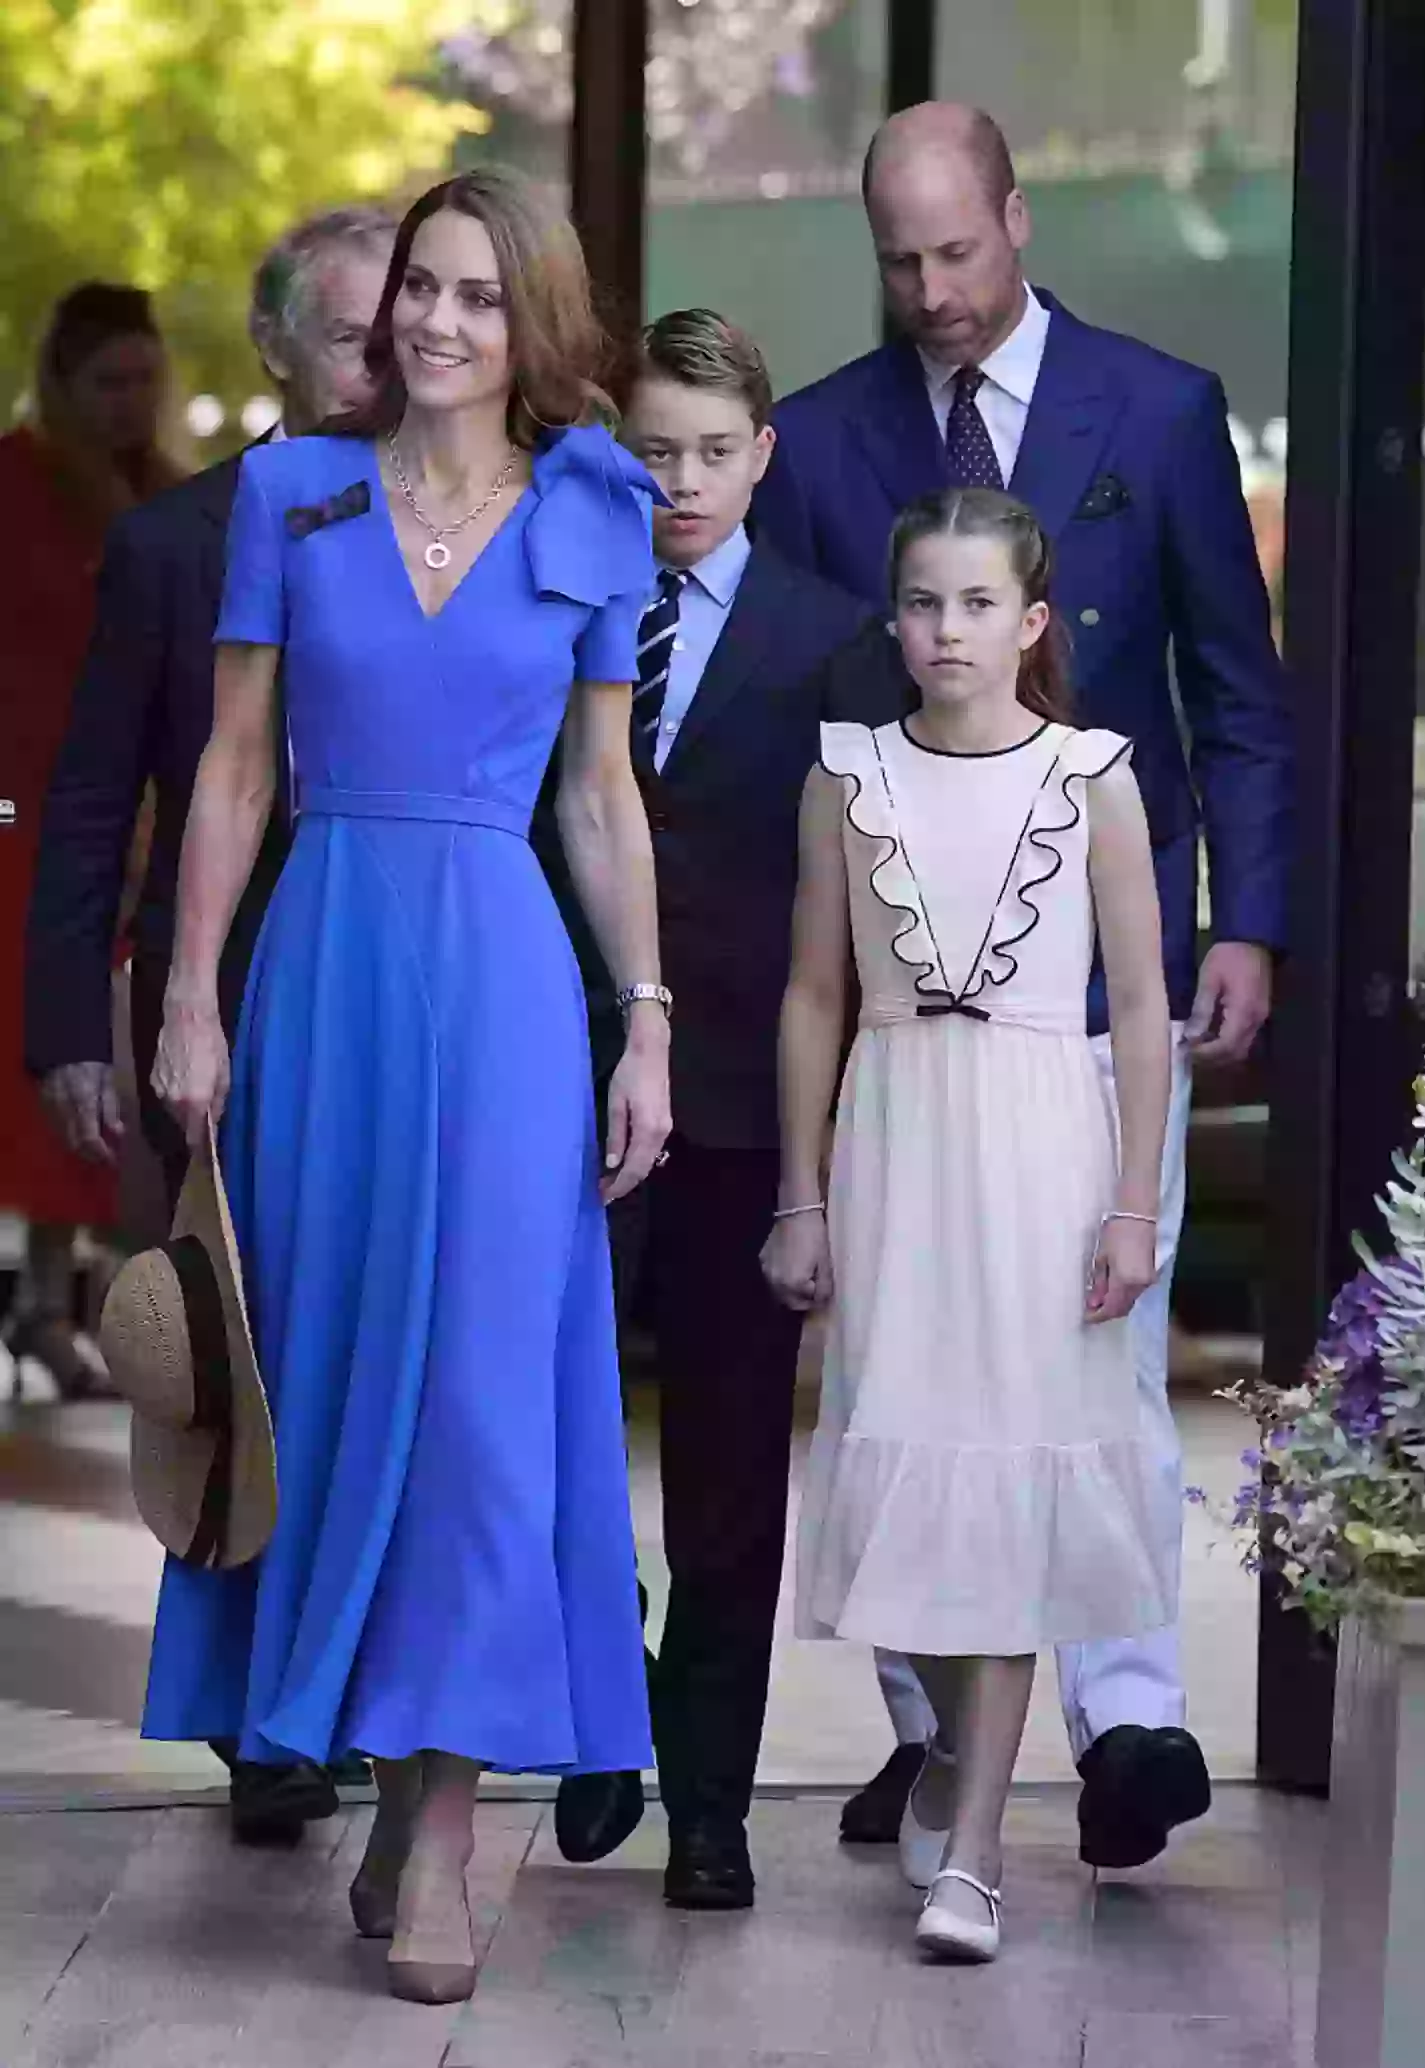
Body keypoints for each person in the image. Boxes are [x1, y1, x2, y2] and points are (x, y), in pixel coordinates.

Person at [143, 167, 669, 2005]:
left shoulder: (599, 508)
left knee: (475, 1392)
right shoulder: (291, 501)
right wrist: (191, 993)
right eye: (416, 294)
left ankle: (443, 1825)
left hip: (513, 984)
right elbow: (228, 770)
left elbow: (602, 796)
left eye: (473, 296)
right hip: (328, 971)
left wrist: (652, 1019)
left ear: (535, 325)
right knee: (340, 1372)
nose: (434, 324)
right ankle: (378, 1769)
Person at [752, 100, 1292, 1869]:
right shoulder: (821, 440)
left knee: (1100, 1341)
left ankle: (1130, 1716)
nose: (931, 291)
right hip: (911, 1003)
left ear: (1016, 215)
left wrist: (1247, 921)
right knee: (908, 1371)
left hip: (1096, 969)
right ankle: (932, 1728)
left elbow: (1236, 686)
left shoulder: (1158, 411)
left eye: (957, 252)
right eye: (897, 261)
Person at [25, 205, 397, 1846]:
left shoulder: (483, 521)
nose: (389, 361)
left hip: (411, 995)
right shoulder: (180, 541)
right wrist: (70, 1026)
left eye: (411, 326)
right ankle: (265, 1717)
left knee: (384, 1349)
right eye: (351, 335)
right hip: (224, 1000)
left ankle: (369, 1687)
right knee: (242, 1357)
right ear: (274, 354)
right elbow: (97, 795)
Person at [763, 486, 1173, 1961]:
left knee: (1005, 1479)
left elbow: (1139, 1005)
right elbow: (815, 993)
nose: (950, 629)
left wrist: (1135, 1202)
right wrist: (801, 1193)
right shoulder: (849, 775)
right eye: (926, 602)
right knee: (905, 1467)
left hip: (1041, 1147)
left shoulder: (1093, 775)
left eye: (981, 603)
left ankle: (977, 1857)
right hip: (898, 1146)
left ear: (1033, 622)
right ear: (895, 618)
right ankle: (942, 1750)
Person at [536, 310, 870, 1909]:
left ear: (764, 455)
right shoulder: (558, 601)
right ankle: (600, 1730)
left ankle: (715, 1804)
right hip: (561, 1081)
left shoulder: (832, 637)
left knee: (733, 1469)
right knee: (549, 1435)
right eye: (655, 451)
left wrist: (828, 1157)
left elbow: (852, 914)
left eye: (714, 452)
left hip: (745, 1106)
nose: (683, 482)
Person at [0, 283, 184, 1394]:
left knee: (94, 1069)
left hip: (118, 815)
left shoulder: (163, 497)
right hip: (13, 811)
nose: (127, 403)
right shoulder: (13, 483)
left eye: (142, 382)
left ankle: (52, 1300)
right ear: (62, 385)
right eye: (107, 383)